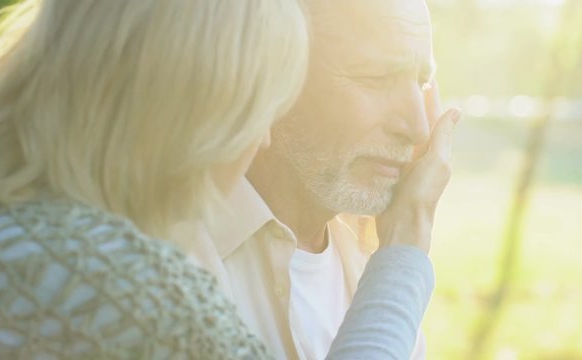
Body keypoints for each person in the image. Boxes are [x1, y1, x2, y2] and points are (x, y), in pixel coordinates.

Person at [0, 0, 458, 359]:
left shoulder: (360, 248)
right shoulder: (129, 279)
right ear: (184, 103)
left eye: (421, 82)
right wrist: (404, 257)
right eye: (374, 78)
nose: (263, 131)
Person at [181, 0, 461, 359]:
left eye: (421, 83)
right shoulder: (170, 258)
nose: (416, 127)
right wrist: (404, 249)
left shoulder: (371, 260)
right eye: (376, 79)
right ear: (273, 81)